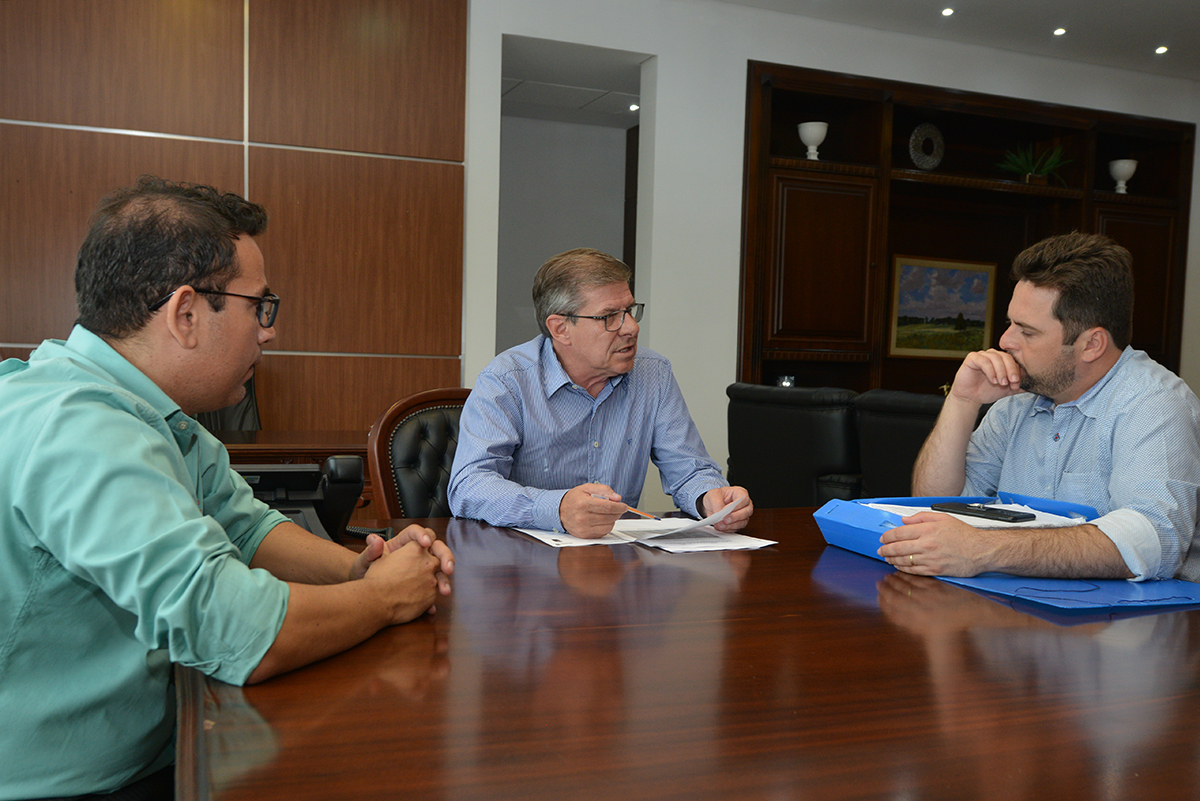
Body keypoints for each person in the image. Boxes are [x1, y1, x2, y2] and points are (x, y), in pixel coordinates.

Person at [0, 176, 454, 800]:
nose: (268, 331)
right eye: (258, 307)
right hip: (70, 785)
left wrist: (358, 568)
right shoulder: (81, 430)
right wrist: (381, 598)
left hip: (158, 741)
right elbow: (234, 628)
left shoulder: (152, 413)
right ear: (186, 314)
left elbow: (245, 525)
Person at [879, 232, 1200, 581]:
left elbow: (1154, 541)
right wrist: (962, 401)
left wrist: (984, 548)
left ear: (1092, 344)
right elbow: (935, 507)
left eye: (1027, 332)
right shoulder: (1017, 401)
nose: (1004, 341)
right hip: (1020, 603)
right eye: (1009, 323)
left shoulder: (1154, 404)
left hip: (1133, 612)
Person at [448, 247, 753, 538]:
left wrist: (710, 497)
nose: (631, 327)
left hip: (617, 557)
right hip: (525, 559)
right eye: (609, 316)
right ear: (560, 329)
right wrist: (556, 509)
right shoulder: (507, 381)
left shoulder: (653, 373)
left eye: (629, 310)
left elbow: (690, 470)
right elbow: (469, 486)